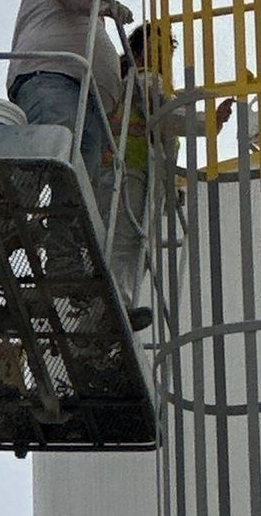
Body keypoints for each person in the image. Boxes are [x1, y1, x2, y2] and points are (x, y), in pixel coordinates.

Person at [96, 23, 234, 305]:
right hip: (130, 171)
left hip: (121, 171)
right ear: (138, 54)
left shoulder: (124, 84)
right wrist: (210, 121)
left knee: (125, 244)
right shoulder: (145, 79)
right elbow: (164, 116)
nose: (164, 58)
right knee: (127, 242)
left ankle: (110, 304)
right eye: (159, 50)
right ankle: (116, 304)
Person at [7, 0, 132, 182]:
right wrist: (108, 7)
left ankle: (56, 205)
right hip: (53, 78)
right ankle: (13, 199)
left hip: (91, 102)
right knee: (47, 152)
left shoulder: (93, 14)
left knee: (79, 182)